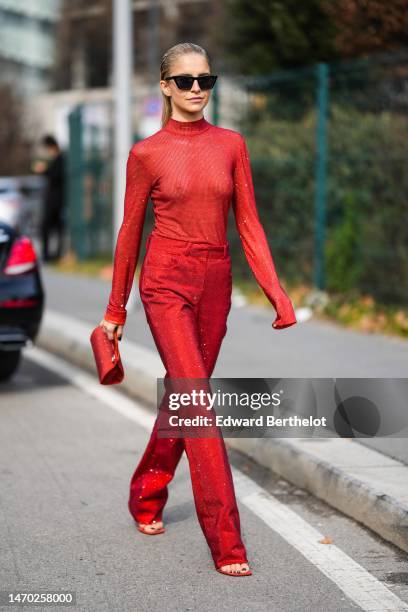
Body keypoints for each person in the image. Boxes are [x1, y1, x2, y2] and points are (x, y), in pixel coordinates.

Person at [99, 42, 297, 577]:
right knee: (200, 404)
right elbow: (129, 233)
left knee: (189, 397)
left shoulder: (232, 144)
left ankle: (146, 492)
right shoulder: (146, 154)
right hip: (165, 282)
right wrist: (115, 309)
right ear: (165, 86)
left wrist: (276, 292)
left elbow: (250, 224)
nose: (195, 91)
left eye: (204, 81)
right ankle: (227, 541)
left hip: (216, 281)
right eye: (184, 81)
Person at [33, 135, 66, 262]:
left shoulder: (60, 159)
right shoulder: (55, 159)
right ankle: (50, 254)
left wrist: (43, 171)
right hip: (53, 199)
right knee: (52, 228)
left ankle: (52, 255)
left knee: (51, 227)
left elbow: (55, 176)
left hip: (55, 201)